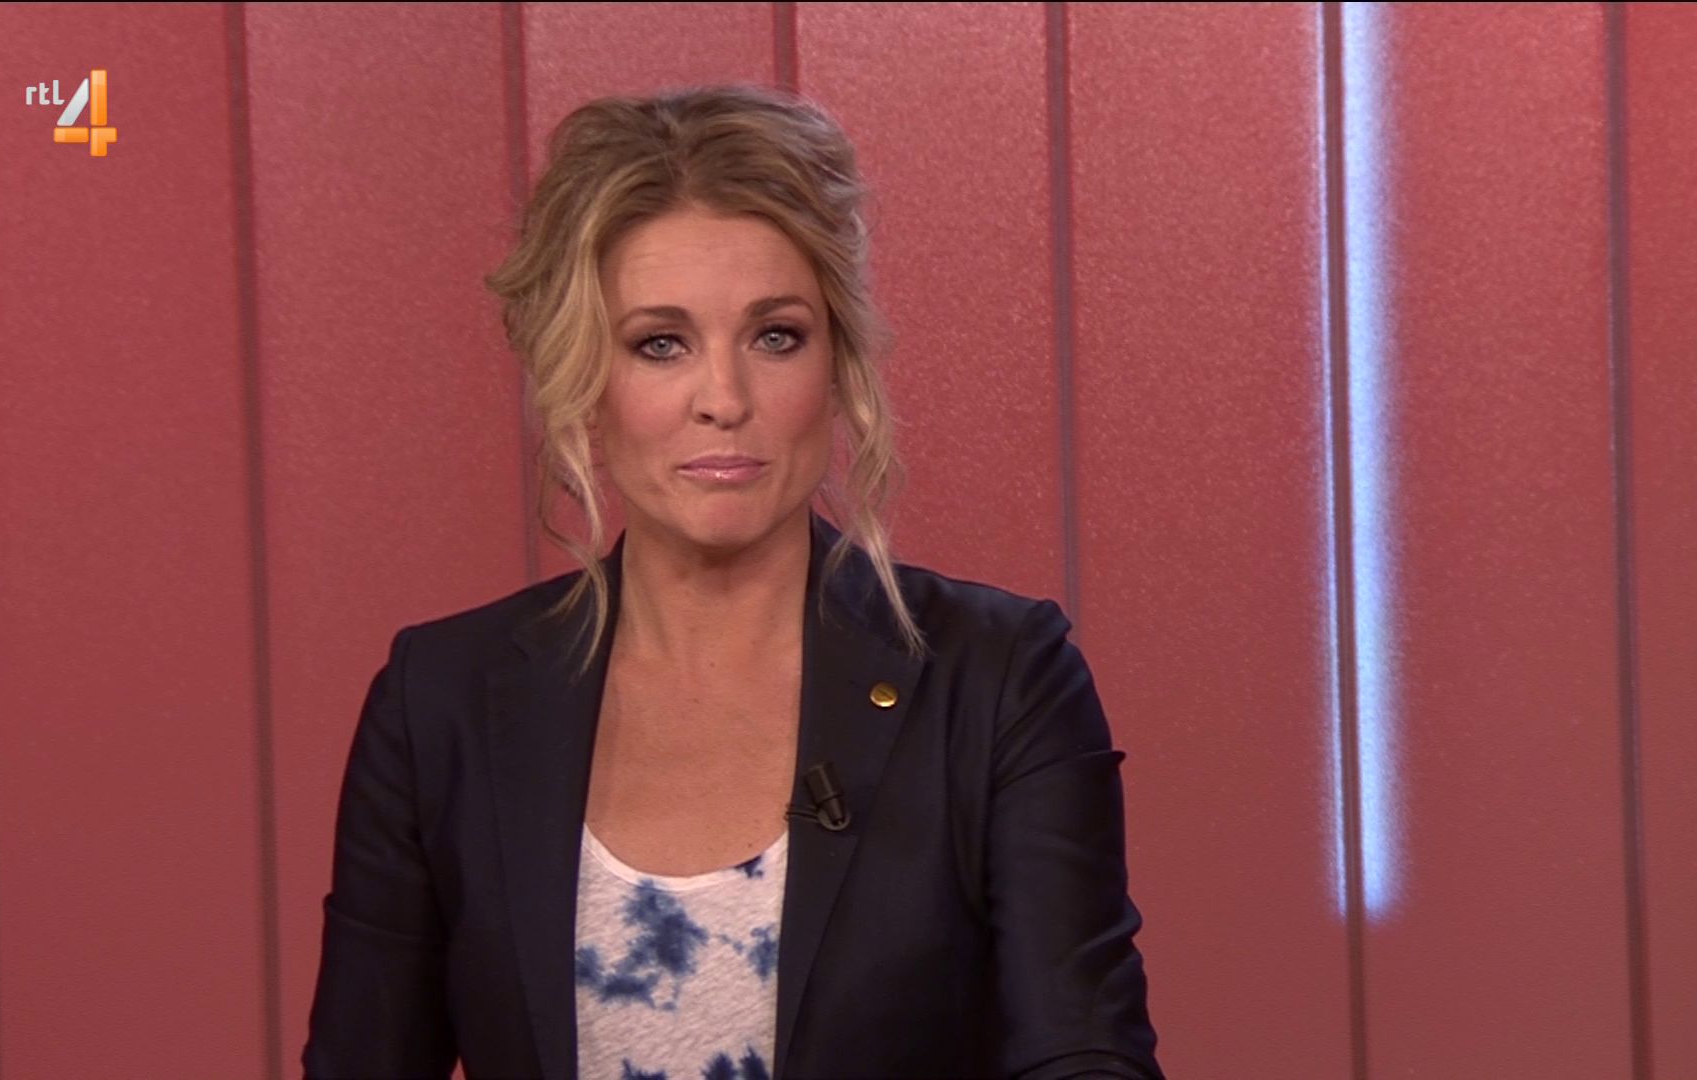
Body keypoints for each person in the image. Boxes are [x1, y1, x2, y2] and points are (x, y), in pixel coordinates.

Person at [301, 84, 1164, 1080]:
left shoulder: (1000, 677)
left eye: (775, 335)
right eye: (660, 344)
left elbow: (1084, 1055)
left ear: (837, 364)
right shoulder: (441, 699)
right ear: (584, 378)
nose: (724, 398)